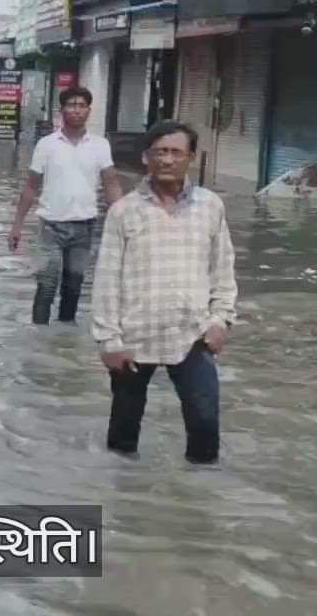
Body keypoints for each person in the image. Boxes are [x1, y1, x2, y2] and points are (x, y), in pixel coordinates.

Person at [91, 120, 238, 465]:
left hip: (193, 334)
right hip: (134, 336)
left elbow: (223, 269)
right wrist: (109, 340)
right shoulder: (123, 211)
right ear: (146, 157)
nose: (167, 160)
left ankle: (198, 493)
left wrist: (221, 320)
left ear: (191, 158)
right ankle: (122, 491)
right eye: (159, 152)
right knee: (123, 434)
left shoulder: (210, 206)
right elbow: (107, 278)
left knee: (205, 425)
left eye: (175, 152)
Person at [9, 86, 124, 325]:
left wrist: (125, 221)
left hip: (85, 227)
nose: (76, 110)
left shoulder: (100, 145)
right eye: (71, 105)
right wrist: (17, 226)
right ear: (61, 110)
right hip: (50, 227)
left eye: (82, 106)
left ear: (89, 111)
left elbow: (111, 184)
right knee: (46, 285)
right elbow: (30, 187)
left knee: (73, 287)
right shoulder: (46, 145)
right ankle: (39, 336)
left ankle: (64, 338)